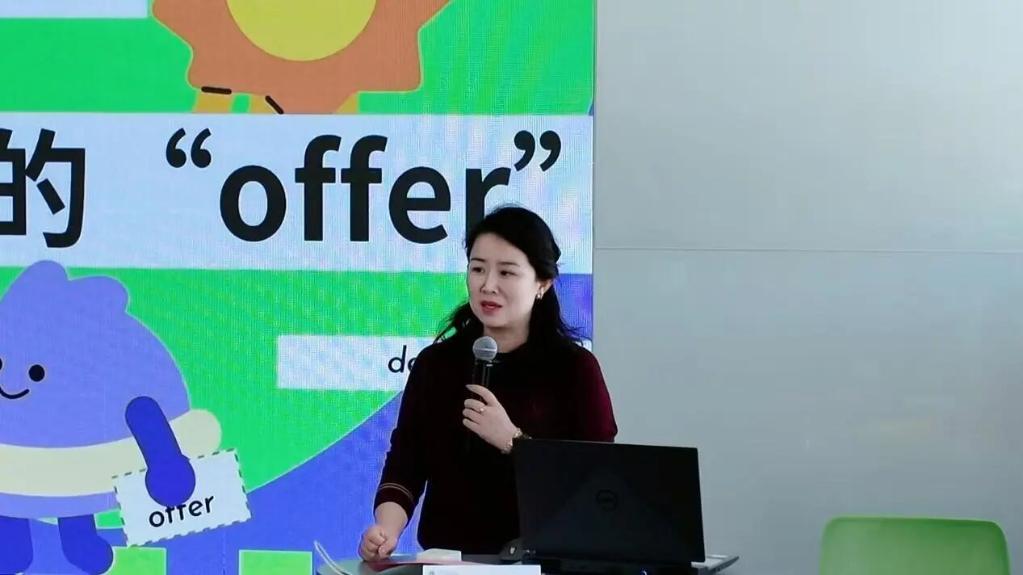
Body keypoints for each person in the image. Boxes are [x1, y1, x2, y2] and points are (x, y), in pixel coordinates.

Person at [358, 206, 617, 560]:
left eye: (506, 272)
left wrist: (515, 442)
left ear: (542, 283)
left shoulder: (574, 369)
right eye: (478, 268)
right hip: (447, 562)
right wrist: (386, 529)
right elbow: (406, 463)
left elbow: (597, 485)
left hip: (542, 563)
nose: (487, 285)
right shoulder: (436, 364)